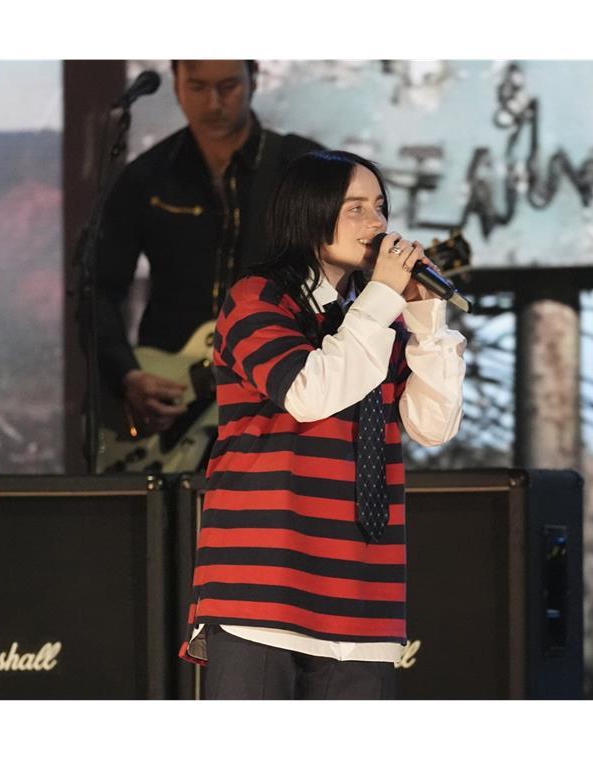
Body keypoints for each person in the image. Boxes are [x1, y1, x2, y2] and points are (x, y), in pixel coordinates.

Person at [178, 150, 466, 699]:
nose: (377, 224)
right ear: (310, 213)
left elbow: (432, 424)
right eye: (355, 208)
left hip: (363, 593)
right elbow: (309, 393)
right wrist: (381, 303)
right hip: (263, 584)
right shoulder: (257, 297)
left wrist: (427, 322)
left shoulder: (373, 319)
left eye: (379, 206)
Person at [92, 60, 322, 441]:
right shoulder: (146, 176)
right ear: (177, 86)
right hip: (173, 394)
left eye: (228, 86)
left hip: (277, 391)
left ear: (254, 81)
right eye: (197, 87)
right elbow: (98, 287)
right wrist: (127, 375)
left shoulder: (300, 168)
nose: (214, 103)